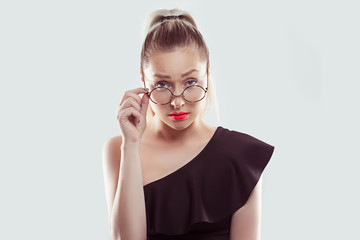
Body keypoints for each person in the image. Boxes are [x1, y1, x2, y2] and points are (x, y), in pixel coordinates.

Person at [102, 8, 275, 240]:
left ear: (208, 72)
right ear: (143, 80)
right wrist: (131, 145)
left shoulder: (240, 156)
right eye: (162, 85)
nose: (177, 101)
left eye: (191, 81)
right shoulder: (119, 149)